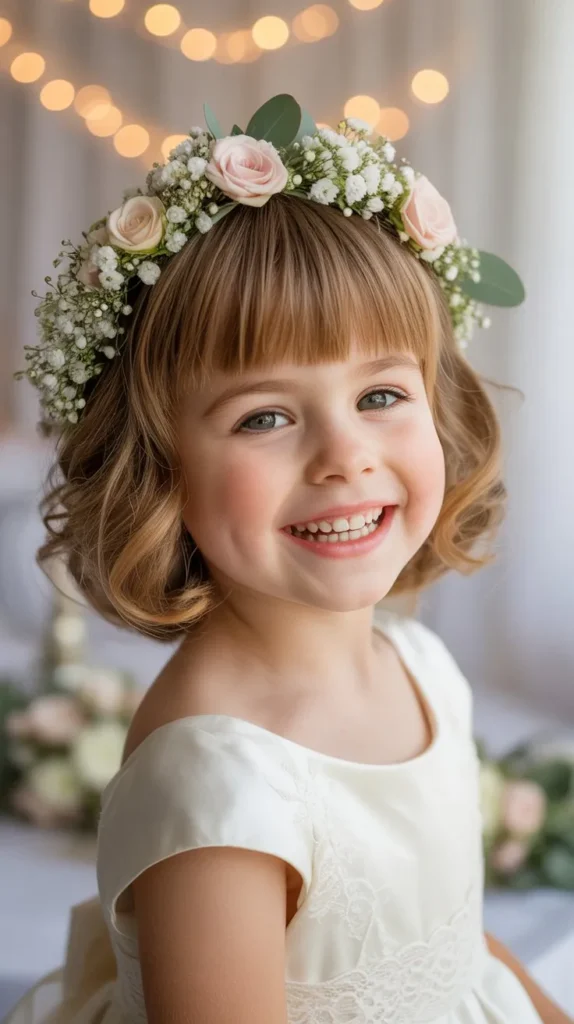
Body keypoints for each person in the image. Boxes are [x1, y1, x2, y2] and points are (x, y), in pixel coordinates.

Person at [6, 94, 569, 1024]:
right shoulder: (216, 786)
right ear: (159, 467)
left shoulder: (421, 666)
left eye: (382, 393)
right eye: (264, 416)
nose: (344, 455)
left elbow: (452, 946)